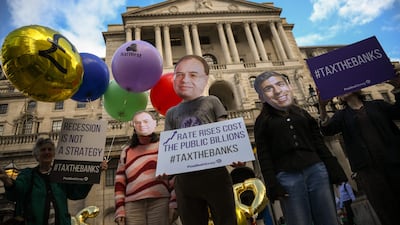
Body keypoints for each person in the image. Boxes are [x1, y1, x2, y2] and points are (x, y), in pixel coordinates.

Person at [253, 71, 347, 225]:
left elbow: (318, 143)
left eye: (280, 84)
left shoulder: (303, 114)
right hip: (287, 177)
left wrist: (334, 169)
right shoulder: (262, 121)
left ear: (289, 87)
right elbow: (264, 155)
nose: (277, 91)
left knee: (329, 218)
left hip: (317, 171)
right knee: (299, 221)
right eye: (268, 89)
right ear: (261, 97)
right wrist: (272, 184)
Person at [164, 55, 237, 225]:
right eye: (180, 75)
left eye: (193, 75)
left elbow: (224, 132)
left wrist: (234, 153)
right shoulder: (171, 113)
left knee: (226, 220)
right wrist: (165, 168)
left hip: (215, 175)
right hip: (185, 181)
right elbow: (168, 147)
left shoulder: (213, 101)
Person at [318, 74, 400, 225]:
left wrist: (398, 87)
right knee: (385, 209)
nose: (343, 91)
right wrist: (322, 107)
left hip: (394, 161)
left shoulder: (378, 105)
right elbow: (327, 130)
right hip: (368, 170)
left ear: (356, 89)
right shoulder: (340, 116)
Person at [0, 137, 108, 225]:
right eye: (43, 150)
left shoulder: (61, 175)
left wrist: (95, 173)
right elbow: (18, 190)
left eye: (50, 149)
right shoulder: (28, 174)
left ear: (54, 154)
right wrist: (6, 180)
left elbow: (76, 193)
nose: (47, 152)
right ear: (37, 155)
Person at [114, 110, 177, 225]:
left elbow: (174, 176)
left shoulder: (165, 146)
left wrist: (174, 202)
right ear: (133, 126)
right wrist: (120, 209)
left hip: (160, 201)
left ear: (154, 123)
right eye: (137, 122)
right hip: (132, 205)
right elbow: (119, 182)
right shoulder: (126, 151)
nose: (142, 125)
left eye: (145, 121)